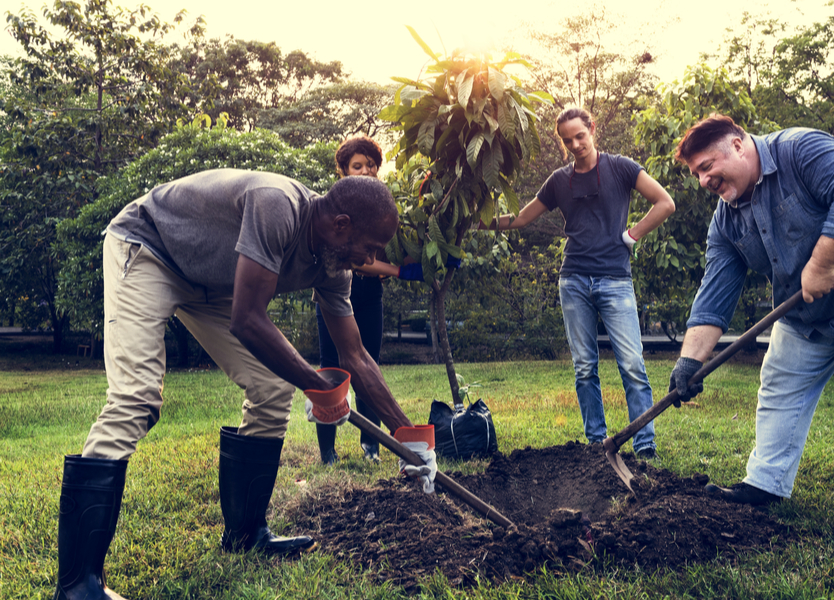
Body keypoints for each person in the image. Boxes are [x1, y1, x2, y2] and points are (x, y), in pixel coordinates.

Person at [54, 170, 438, 600]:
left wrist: (409, 437)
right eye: (369, 248)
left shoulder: (335, 268)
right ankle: (77, 585)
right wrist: (315, 384)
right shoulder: (277, 206)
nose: (370, 261)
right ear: (341, 224)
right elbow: (247, 319)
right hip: (148, 249)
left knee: (273, 386)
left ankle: (245, 534)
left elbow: (355, 355)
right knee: (136, 397)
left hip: (209, 282)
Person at [667, 114, 834, 529]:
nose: (703, 181)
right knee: (780, 389)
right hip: (806, 314)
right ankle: (765, 483)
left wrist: (822, 262)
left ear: (737, 145)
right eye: (697, 173)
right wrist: (690, 361)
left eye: (707, 167)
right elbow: (715, 291)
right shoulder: (727, 219)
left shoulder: (800, 149)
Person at [488, 106, 675, 459]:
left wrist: (632, 235)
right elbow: (523, 218)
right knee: (585, 367)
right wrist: (478, 222)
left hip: (615, 280)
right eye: (567, 140)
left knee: (632, 365)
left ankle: (645, 445)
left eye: (580, 136)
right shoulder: (560, 180)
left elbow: (665, 203)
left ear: (592, 129)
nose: (575, 144)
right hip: (573, 280)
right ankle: (596, 444)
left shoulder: (621, 167)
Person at [312, 135, 449, 465]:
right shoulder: (334, 206)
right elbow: (357, 259)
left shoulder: (382, 205)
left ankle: (371, 446)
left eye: (371, 165)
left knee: (368, 366)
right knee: (331, 370)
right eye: (357, 166)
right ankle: (327, 452)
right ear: (343, 170)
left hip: (369, 296)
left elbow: (388, 245)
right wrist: (399, 271)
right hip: (333, 292)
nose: (365, 171)